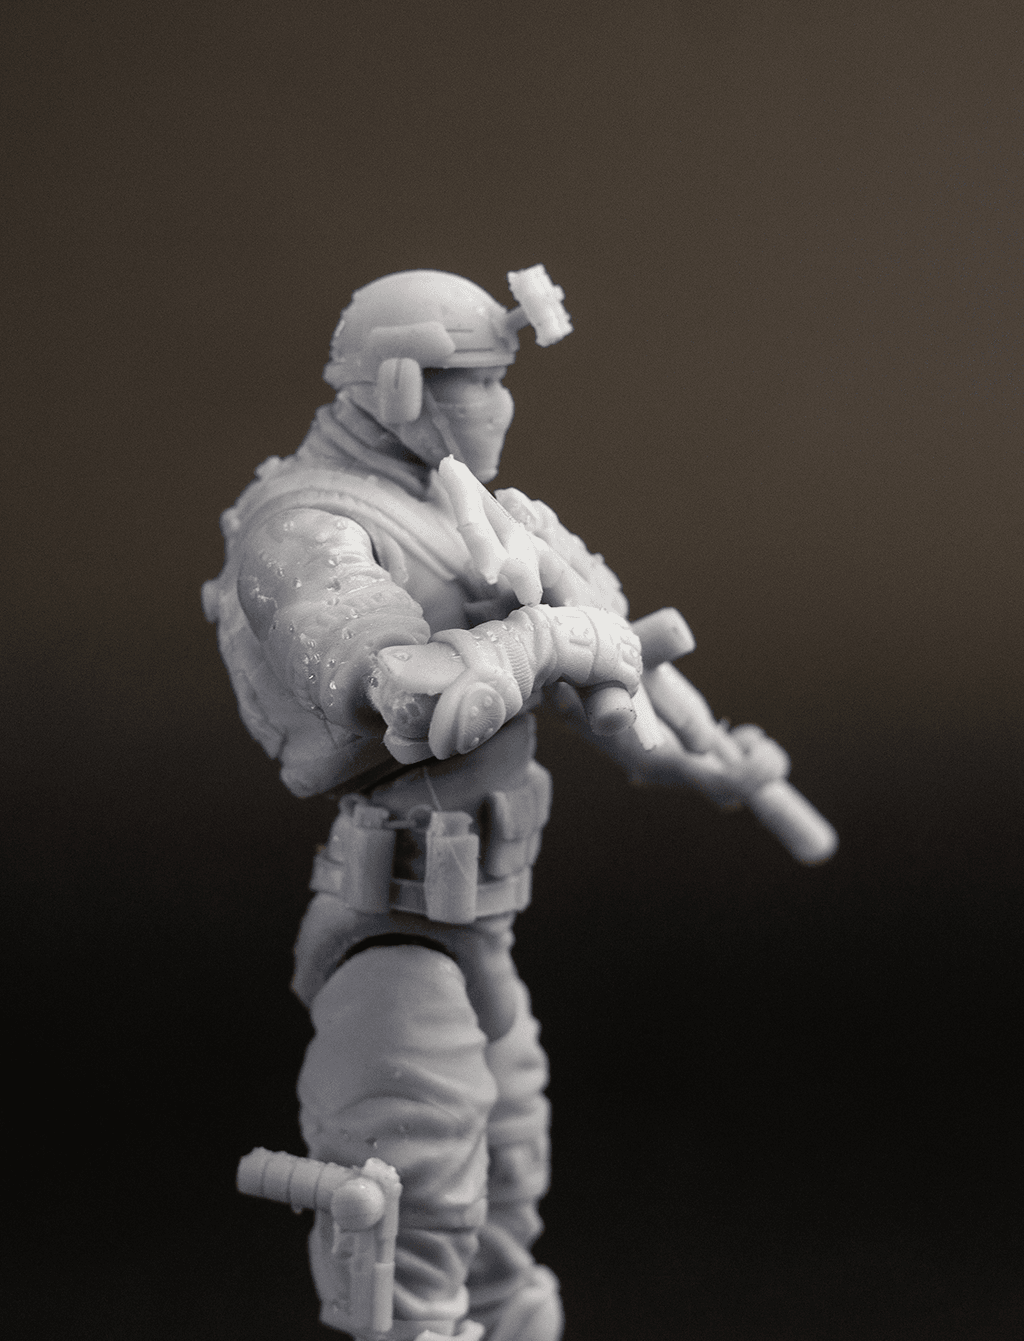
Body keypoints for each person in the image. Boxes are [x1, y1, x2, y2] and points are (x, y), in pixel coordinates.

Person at [204, 267, 796, 1341]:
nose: (499, 406)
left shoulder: (465, 509)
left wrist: (705, 757)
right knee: (417, 1183)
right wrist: (552, 636)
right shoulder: (306, 525)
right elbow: (407, 696)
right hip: (391, 924)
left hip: (480, 919)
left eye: (501, 379)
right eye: (477, 380)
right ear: (398, 384)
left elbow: (613, 678)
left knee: (509, 1178)